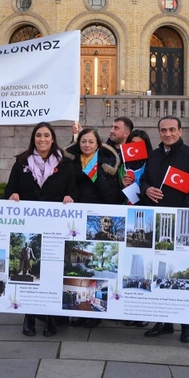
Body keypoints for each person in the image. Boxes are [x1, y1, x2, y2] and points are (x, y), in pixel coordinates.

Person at [5, 122, 76, 337]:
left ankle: (49, 316)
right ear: (33, 139)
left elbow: (73, 192)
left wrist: (69, 198)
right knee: (28, 275)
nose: (42, 139)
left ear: (53, 138)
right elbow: (9, 189)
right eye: (38, 135)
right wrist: (13, 196)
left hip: (55, 228)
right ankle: (28, 316)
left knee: (52, 271)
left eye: (46, 135)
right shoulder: (21, 162)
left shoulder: (65, 164)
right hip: (30, 225)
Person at [140, 116, 189, 343]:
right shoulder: (153, 156)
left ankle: (185, 325)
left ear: (180, 130)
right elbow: (144, 181)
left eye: (172, 130)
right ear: (159, 132)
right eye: (164, 130)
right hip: (156, 223)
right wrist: (146, 190)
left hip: (180, 225)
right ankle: (164, 321)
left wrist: (180, 220)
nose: (168, 134)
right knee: (158, 273)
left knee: (179, 274)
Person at [65, 127, 122, 328]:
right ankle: (79, 312)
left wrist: (96, 178)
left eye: (91, 142)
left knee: (96, 270)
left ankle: (95, 315)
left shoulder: (107, 165)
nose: (87, 145)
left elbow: (113, 197)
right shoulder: (69, 163)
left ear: (98, 144)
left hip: (97, 222)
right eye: (83, 141)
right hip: (75, 220)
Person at [120, 128, 152, 328]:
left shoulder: (152, 164)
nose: (136, 148)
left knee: (142, 264)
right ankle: (127, 308)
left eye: (140, 144)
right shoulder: (122, 165)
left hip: (144, 218)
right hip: (126, 216)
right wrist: (122, 184)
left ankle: (143, 310)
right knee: (127, 264)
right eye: (132, 144)